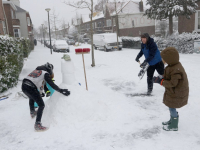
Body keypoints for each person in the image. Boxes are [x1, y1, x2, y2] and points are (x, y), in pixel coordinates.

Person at [21, 62, 70, 131]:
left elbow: (41, 84)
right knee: (41, 105)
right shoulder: (45, 73)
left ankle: (32, 112)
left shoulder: (36, 71)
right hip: (31, 87)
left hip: (24, 85)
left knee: (31, 97)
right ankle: (37, 124)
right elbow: (51, 84)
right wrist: (61, 90)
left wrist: (41, 92)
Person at [153, 47, 189, 131]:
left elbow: (173, 83)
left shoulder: (176, 69)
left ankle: (174, 125)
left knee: (172, 107)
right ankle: (172, 120)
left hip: (176, 92)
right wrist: (161, 77)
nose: (162, 60)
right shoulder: (172, 66)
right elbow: (169, 76)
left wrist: (161, 82)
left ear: (169, 59)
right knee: (170, 106)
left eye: (164, 58)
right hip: (173, 91)